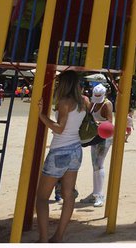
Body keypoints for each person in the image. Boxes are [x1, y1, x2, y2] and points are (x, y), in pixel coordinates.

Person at [35, 71, 89, 243]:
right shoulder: (83, 103)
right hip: (76, 150)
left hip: (60, 150)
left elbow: (59, 128)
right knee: (69, 195)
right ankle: (58, 236)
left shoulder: (65, 102)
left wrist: (41, 115)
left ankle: (43, 239)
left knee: (42, 198)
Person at [78, 83, 113, 207]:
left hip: (105, 136)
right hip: (95, 135)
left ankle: (99, 195)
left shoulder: (107, 104)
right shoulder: (92, 103)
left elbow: (110, 120)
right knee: (95, 165)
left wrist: (99, 122)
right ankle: (95, 193)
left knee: (99, 164)